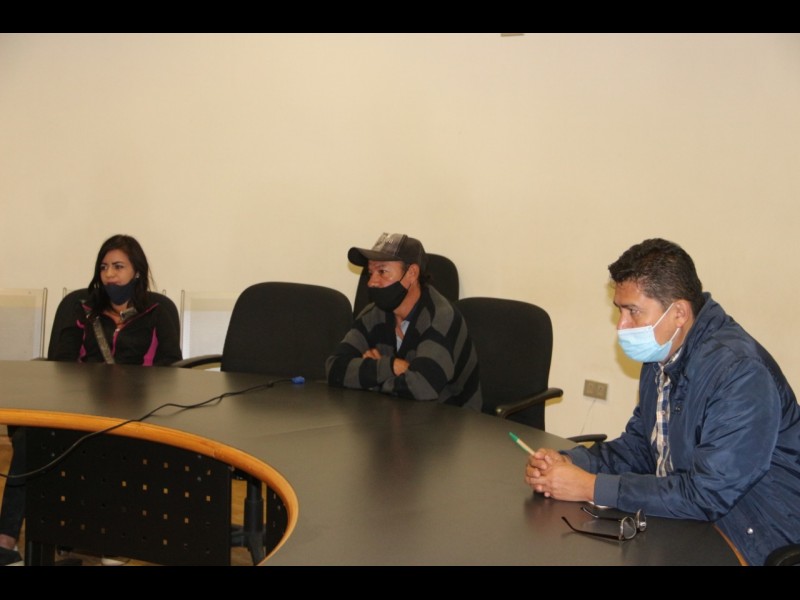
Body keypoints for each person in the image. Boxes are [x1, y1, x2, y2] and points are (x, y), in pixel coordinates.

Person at [524, 238, 800, 566]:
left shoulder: (739, 373)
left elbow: (707, 494)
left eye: (633, 311)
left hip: (756, 537)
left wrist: (591, 487)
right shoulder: (661, 356)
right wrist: (571, 463)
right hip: (691, 522)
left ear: (679, 313)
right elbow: (641, 448)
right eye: (619, 310)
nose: (621, 325)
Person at [0, 234, 182, 566]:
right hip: (80, 410)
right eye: (104, 267)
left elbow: (171, 368)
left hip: (134, 413)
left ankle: (112, 541)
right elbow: (61, 364)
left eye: (118, 266)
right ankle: (6, 540)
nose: (110, 274)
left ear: (137, 271)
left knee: (115, 448)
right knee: (28, 441)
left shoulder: (157, 313)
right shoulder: (82, 310)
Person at [326, 232, 481, 411]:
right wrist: (392, 366)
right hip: (398, 416)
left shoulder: (440, 317)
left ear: (412, 273)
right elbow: (334, 368)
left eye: (382, 272)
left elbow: (423, 387)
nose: (371, 282)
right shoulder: (373, 314)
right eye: (370, 273)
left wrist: (370, 378)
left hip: (452, 420)